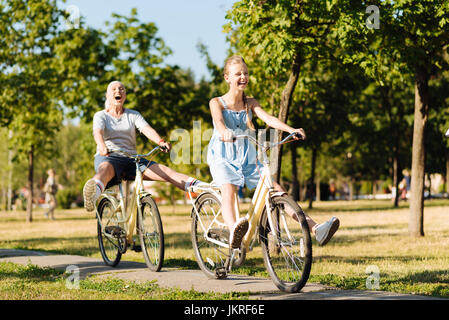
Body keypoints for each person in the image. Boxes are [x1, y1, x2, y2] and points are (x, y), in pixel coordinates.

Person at [206, 55, 339, 249]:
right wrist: (224, 132)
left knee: (277, 190)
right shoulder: (216, 102)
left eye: (246, 73)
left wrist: (290, 129)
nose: (243, 77)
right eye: (238, 74)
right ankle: (234, 230)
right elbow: (218, 122)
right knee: (228, 189)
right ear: (227, 78)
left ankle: (316, 228)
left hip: (247, 158)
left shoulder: (250, 102)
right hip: (223, 157)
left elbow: (269, 119)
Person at [83, 81, 205, 213]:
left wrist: (160, 142)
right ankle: (92, 194)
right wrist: (102, 146)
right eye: (113, 89)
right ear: (107, 95)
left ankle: (203, 187)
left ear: (125, 95)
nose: (118, 91)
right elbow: (98, 132)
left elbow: (146, 129)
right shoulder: (101, 115)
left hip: (132, 159)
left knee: (166, 172)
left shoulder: (133, 114)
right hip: (110, 157)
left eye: (121, 89)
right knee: (104, 169)